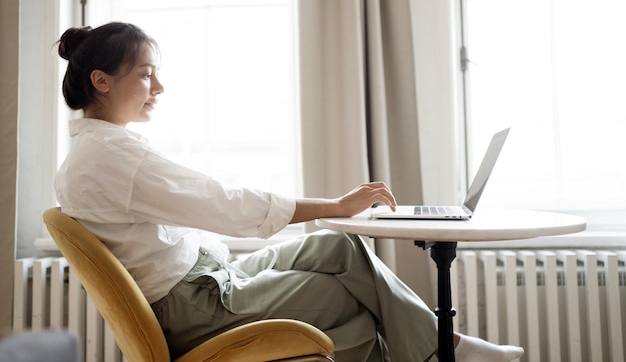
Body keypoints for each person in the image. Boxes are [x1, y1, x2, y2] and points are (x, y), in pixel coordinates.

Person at [54, 22, 524, 362]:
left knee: (340, 245)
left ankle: (448, 349)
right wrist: (337, 204)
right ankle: (446, 350)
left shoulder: (99, 152)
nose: (159, 86)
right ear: (101, 81)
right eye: (145, 74)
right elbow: (225, 205)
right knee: (350, 305)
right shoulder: (114, 158)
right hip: (195, 304)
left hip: (206, 280)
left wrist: (334, 216)